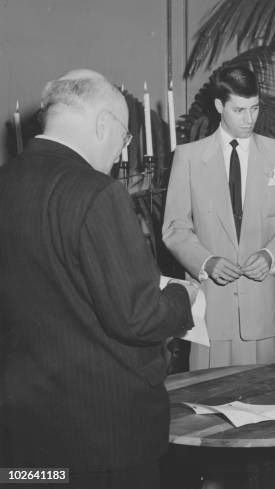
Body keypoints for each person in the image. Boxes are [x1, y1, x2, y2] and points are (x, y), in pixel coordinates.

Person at [0, 69, 198, 489]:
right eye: (126, 139)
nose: (121, 152)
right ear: (104, 124)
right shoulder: (97, 193)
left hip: (22, 437)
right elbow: (137, 317)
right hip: (103, 439)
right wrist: (183, 298)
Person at [163, 66, 275, 369]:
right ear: (219, 106)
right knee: (208, 401)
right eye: (239, 110)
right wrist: (206, 262)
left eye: (254, 108)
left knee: (260, 400)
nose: (249, 119)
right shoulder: (188, 158)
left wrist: (270, 256)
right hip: (210, 305)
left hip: (259, 309)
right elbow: (175, 228)